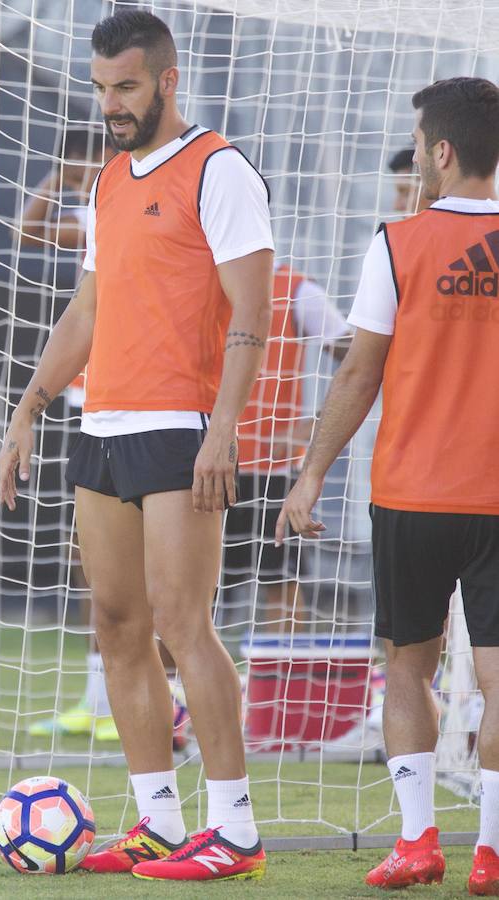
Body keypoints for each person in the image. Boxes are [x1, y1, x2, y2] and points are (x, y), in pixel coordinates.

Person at [0, 9, 274, 884]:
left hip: (181, 425)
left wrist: (222, 430)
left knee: (185, 625)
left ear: (167, 78)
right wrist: (31, 405)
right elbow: (87, 309)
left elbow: (253, 318)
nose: (113, 104)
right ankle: (159, 822)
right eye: (102, 88)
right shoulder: (106, 180)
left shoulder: (220, 169)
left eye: (127, 86)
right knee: (117, 626)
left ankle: (235, 832)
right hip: (102, 422)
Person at [275, 76, 499, 894]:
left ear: (441, 152)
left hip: (413, 494)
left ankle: (418, 844)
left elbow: (358, 373)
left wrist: (310, 477)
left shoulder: (396, 243)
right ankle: (491, 853)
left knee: (408, 666)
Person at [17, 128, 121, 741]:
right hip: (87, 402)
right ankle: (95, 696)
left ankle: (166, 699)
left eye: (87, 160)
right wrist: (62, 177)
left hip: (140, 404)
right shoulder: (86, 211)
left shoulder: (116, 209)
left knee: (149, 576)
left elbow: (34, 230)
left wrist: (83, 178)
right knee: (89, 564)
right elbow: (27, 229)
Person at [222, 265, 350, 633]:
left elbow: (361, 359)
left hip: (271, 471)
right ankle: (176, 689)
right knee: (187, 588)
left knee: (282, 584)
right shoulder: (198, 276)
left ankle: (278, 686)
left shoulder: (297, 290)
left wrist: (314, 425)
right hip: (202, 463)